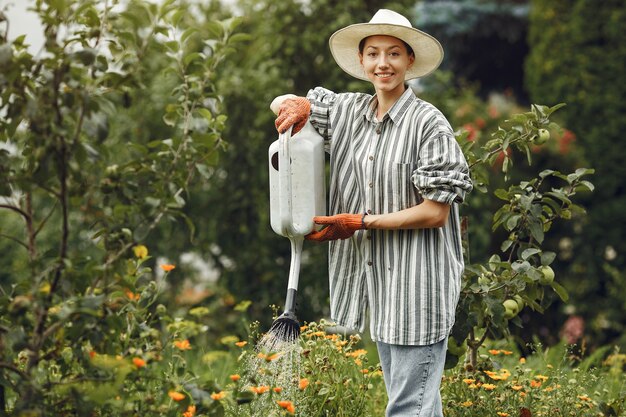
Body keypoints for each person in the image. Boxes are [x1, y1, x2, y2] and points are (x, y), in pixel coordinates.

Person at [271, 9, 472, 417]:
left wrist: (359, 222)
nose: (384, 64)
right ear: (361, 61)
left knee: (406, 408)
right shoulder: (347, 113)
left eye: (394, 54)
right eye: (374, 54)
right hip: (381, 285)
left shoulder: (428, 124)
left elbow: (435, 213)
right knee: (419, 406)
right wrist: (293, 104)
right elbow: (290, 106)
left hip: (419, 285)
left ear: (410, 61)